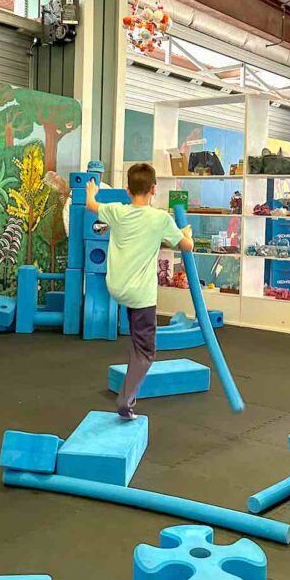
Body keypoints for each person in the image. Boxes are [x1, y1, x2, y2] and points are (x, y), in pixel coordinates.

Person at [86, 162, 193, 420]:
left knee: (137, 340)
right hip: (141, 296)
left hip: (116, 288)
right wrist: (186, 231)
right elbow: (187, 246)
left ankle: (130, 377)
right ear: (154, 189)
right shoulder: (160, 218)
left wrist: (92, 190)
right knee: (146, 351)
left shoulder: (116, 212)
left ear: (127, 190)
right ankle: (126, 401)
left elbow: (92, 205)